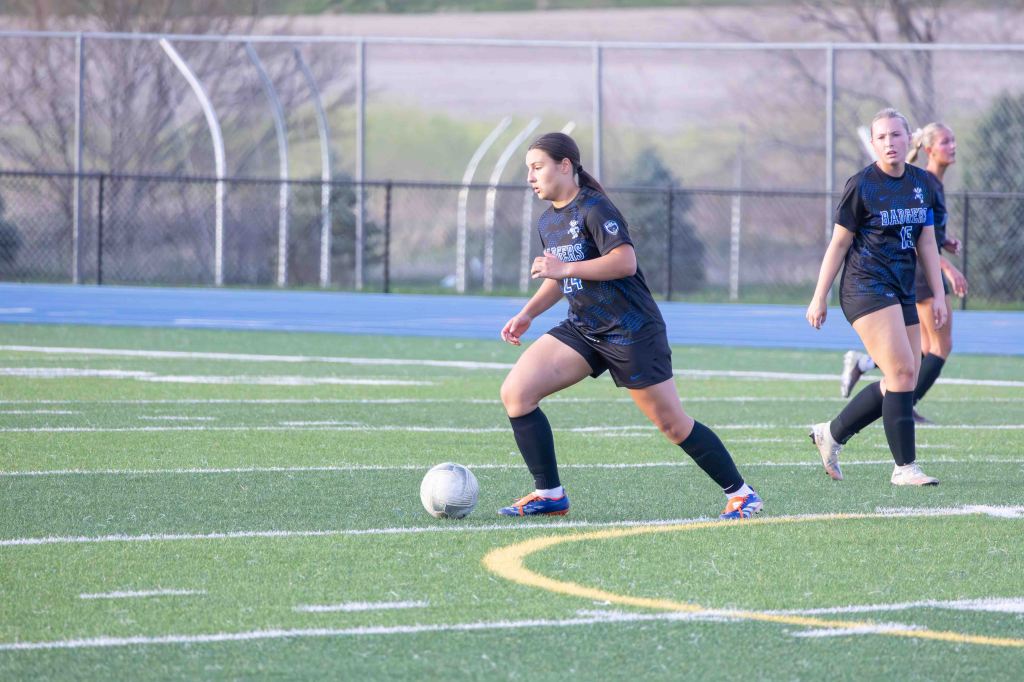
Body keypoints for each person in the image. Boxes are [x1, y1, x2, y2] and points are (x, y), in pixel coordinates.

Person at [497, 132, 762, 519]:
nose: (530, 177)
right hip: (584, 328)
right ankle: (550, 494)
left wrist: (564, 268)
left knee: (673, 425)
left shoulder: (595, 208)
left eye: (537, 167)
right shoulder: (548, 221)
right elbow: (561, 276)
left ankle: (742, 494)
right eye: (529, 170)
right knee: (516, 393)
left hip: (630, 330)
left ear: (565, 166)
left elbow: (624, 262)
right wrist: (528, 313)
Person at [806, 108, 947, 486]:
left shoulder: (922, 183)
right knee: (901, 372)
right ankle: (905, 467)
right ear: (873, 143)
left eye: (896, 135)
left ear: (909, 140)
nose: (889, 142)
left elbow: (927, 242)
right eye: (881, 137)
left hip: (902, 288)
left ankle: (831, 433)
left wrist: (938, 295)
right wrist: (819, 296)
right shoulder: (862, 185)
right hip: (865, 286)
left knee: (905, 378)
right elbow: (839, 244)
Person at [839, 122, 968, 427]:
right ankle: (904, 404)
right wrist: (947, 268)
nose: (952, 146)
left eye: (953, 140)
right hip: (919, 273)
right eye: (945, 141)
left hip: (917, 272)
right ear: (929, 148)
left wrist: (945, 241)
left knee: (919, 350)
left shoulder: (930, 183)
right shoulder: (922, 182)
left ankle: (869, 367)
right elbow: (915, 240)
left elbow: (925, 233)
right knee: (938, 347)